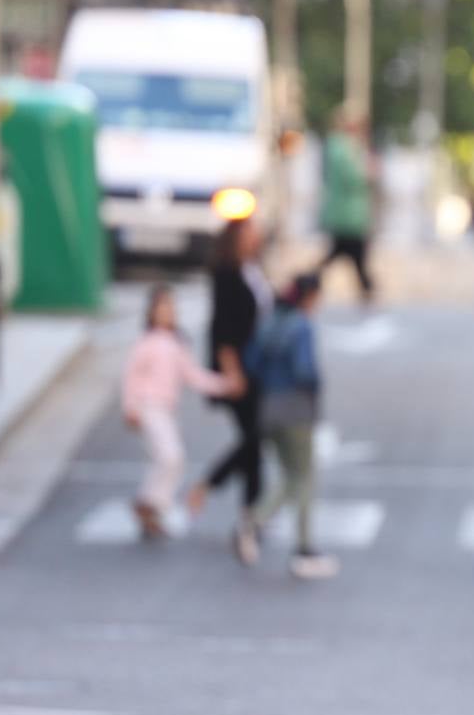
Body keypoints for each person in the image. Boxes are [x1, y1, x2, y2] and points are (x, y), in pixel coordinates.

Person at [243, 273, 337, 578]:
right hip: (296, 408)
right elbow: (304, 369)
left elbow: (251, 362)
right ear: (310, 297)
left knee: (289, 475)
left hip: (268, 406)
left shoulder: (270, 322)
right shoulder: (302, 326)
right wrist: (315, 390)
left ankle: (256, 521)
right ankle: (303, 547)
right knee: (304, 476)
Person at [120, 285, 230, 541]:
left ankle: (150, 504)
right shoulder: (145, 343)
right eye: (161, 308)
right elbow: (131, 376)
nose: (167, 312)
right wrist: (130, 407)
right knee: (170, 456)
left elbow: (193, 375)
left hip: (167, 409)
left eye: (170, 307)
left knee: (167, 459)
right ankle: (152, 501)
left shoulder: (177, 343)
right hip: (148, 406)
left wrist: (224, 384)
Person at [187, 215, 270, 533]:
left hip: (259, 366)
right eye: (248, 232)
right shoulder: (226, 274)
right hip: (238, 368)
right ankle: (211, 485)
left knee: (254, 442)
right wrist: (232, 371)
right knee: (254, 438)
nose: (255, 237)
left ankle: (252, 510)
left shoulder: (254, 270)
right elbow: (223, 328)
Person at [318, 118, 376, 303]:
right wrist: (368, 173)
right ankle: (367, 289)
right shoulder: (343, 150)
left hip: (346, 213)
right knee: (354, 255)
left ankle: (366, 289)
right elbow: (353, 179)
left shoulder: (338, 148)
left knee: (343, 253)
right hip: (349, 215)